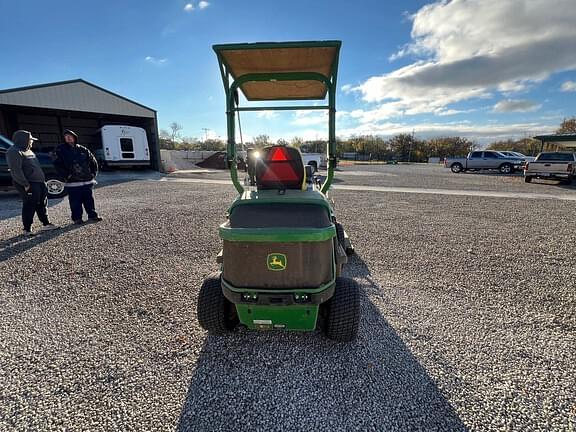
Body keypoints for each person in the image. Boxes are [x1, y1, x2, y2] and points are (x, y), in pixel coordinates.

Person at [6, 130, 59, 236]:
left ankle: (46, 224)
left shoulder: (29, 151)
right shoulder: (13, 151)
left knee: (42, 203)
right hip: (29, 183)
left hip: (39, 182)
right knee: (30, 205)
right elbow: (16, 170)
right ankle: (27, 229)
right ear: (23, 140)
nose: (32, 142)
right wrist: (25, 184)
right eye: (30, 140)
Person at [53, 129, 102, 224]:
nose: (68, 137)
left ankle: (92, 216)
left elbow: (93, 162)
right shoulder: (60, 149)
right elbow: (57, 165)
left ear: (75, 137)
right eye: (66, 136)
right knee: (75, 202)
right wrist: (66, 176)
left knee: (89, 200)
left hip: (87, 181)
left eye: (70, 136)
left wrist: (93, 174)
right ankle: (77, 219)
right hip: (72, 182)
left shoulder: (83, 149)